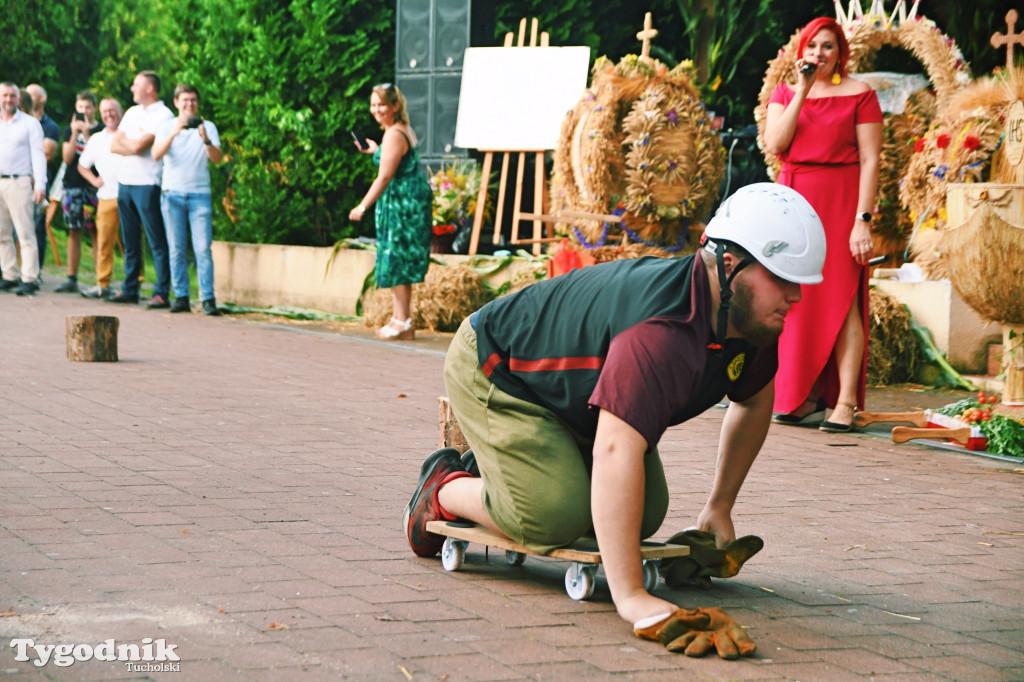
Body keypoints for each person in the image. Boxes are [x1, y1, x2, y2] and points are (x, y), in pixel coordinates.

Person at [403, 184, 827, 659]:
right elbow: (615, 449)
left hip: (576, 399)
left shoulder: (750, 321)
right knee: (550, 516)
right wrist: (632, 598)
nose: (795, 296)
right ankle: (444, 486)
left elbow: (752, 404)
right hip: (498, 366)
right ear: (730, 266)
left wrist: (719, 507)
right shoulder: (661, 330)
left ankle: (518, 473)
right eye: (782, 278)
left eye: (801, 282)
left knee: (645, 514)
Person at [763, 16, 882, 433]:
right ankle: (802, 395)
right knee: (796, 298)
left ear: (840, 52)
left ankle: (845, 401)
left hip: (841, 200)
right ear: (802, 51)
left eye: (828, 46)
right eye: (813, 46)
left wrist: (861, 221)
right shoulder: (785, 91)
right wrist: (803, 90)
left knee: (842, 299)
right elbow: (776, 144)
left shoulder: (861, 95)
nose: (819, 54)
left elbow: (870, 160)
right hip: (795, 200)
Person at [348, 83, 432, 341]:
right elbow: (393, 159)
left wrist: (362, 205)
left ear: (395, 106)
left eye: (382, 104)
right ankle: (398, 319)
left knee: (398, 260)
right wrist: (375, 150)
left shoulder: (394, 134)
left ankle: (404, 321)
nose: (376, 109)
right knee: (399, 259)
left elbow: (385, 176)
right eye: (373, 105)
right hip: (406, 201)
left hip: (402, 205)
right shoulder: (397, 131)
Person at [151, 84, 223, 315]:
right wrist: (175, 131)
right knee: (176, 249)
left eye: (193, 100)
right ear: (176, 102)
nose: (189, 104)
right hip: (172, 194)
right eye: (185, 100)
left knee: (203, 248)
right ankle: (181, 296)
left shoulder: (208, 127)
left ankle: (208, 299)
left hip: (199, 195)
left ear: (198, 103)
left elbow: (218, 159)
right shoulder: (165, 127)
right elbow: (155, 154)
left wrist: (205, 140)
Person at [108, 70, 174, 307]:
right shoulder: (132, 112)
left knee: (156, 239)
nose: (131, 88)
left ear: (150, 88)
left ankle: (161, 291)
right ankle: (130, 287)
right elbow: (115, 145)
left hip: (148, 183)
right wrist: (132, 144)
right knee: (130, 239)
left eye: (136, 85)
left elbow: (140, 147)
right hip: (125, 182)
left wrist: (131, 144)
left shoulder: (164, 114)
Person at [54, 91, 104, 293]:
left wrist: (86, 134)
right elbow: (67, 159)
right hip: (73, 185)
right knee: (74, 231)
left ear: (94, 108)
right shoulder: (68, 130)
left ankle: (101, 278)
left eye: (88, 107)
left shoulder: (101, 130)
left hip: (94, 186)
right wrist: (75, 133)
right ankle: (71, 277)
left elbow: (98, 153)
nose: (84, 111)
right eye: (80, 107)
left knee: (95, 231)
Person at [0, 82, 47, 296]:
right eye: (4, 96)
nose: (8, 100)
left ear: (19, 99)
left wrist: (40, 184)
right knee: (2, 233)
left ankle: (29, 277)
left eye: (12, 96)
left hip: (20, 181)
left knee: (25, 232)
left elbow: (39, 154)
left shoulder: (30, 124)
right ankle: (9, 274)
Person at [77, 98, 124, 299]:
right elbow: (82, 165)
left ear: (120, 112)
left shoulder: (128, 134)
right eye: (105, 111)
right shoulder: (97, 139)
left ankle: (134, 284)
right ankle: (102, 284)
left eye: (112, 110)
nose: (109, 114)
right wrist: (94, 179)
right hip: (106, 196)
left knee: (132, 243)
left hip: (130, 194)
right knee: (104, 242)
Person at [25, 84, 60, 269]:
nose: (27, 97)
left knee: (37, 228)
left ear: (42, 98)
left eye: (31, 94)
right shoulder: (18, 121)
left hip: (39, 181)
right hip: (18, 181)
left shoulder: (51, 126)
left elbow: (46, 153)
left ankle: (35, 271)